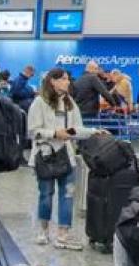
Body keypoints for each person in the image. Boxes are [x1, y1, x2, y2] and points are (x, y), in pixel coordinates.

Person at [28, 68, 98, 250]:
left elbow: (77, 128)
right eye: (64, 79)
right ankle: (43, 230)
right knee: (46, 194)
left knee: (67, 195)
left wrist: (93, 132)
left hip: (67, 157)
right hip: (45, 156)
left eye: (68, 79)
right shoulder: (39, 102)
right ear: (53, 81)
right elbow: (32, 131)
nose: (68, 82)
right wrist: (54, 133)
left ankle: (63, 234)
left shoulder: (70, 103)